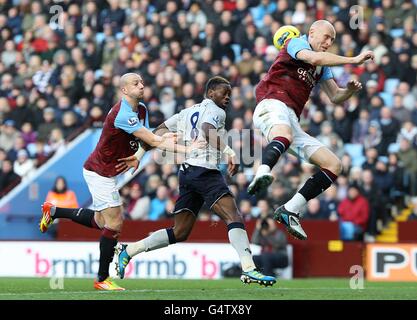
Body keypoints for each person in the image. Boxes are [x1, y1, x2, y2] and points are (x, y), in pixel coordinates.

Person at [38, 73, 202, 291]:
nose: (142, 85)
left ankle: (54, 211)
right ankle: (102, 278)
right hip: (99, 172)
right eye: (136, 83)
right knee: (114, 224)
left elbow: (145, 139)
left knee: (100, 221)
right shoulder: (121, 113)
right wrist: (186, 148)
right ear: (124, 90)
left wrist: (139, 154)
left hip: (109, 172)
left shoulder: (141, 108)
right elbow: (153, 140)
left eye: (142, 82)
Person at [114, 76, 276, 286]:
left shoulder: (187, 112)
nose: (227, 97)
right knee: (233, 215)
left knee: (179, 232)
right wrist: (229, 152)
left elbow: (157, 132)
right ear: (210, 93)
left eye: (229, 94)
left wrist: (138, 156)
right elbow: (208, 129)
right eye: (223, 93)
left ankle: (130, 250)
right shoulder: (216, 111)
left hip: (187, 173)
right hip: (204, 172)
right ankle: (249, 269)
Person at [247, 20, 374, 240]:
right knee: (283, 135)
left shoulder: (322, 67)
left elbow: (335, 96)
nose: (329, 42)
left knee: (334, 164)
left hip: (291, 117)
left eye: (332, 40)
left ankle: (289, 210)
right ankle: (261, 172)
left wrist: (350, 91)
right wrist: (353, 59)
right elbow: (313, 57)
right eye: (326, 37)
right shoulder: (296, 43)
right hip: (272, 102)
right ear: (312, 32)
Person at [251, 207, 289, 277]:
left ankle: (268, 276)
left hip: (281, 257)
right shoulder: (262, 233)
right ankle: (256, 276)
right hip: (265, 257)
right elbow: (254, 241)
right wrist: (257, 229)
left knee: (266, 256)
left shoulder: (279, 233)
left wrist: (268, 234)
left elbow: (278, 244)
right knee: (254, 258)